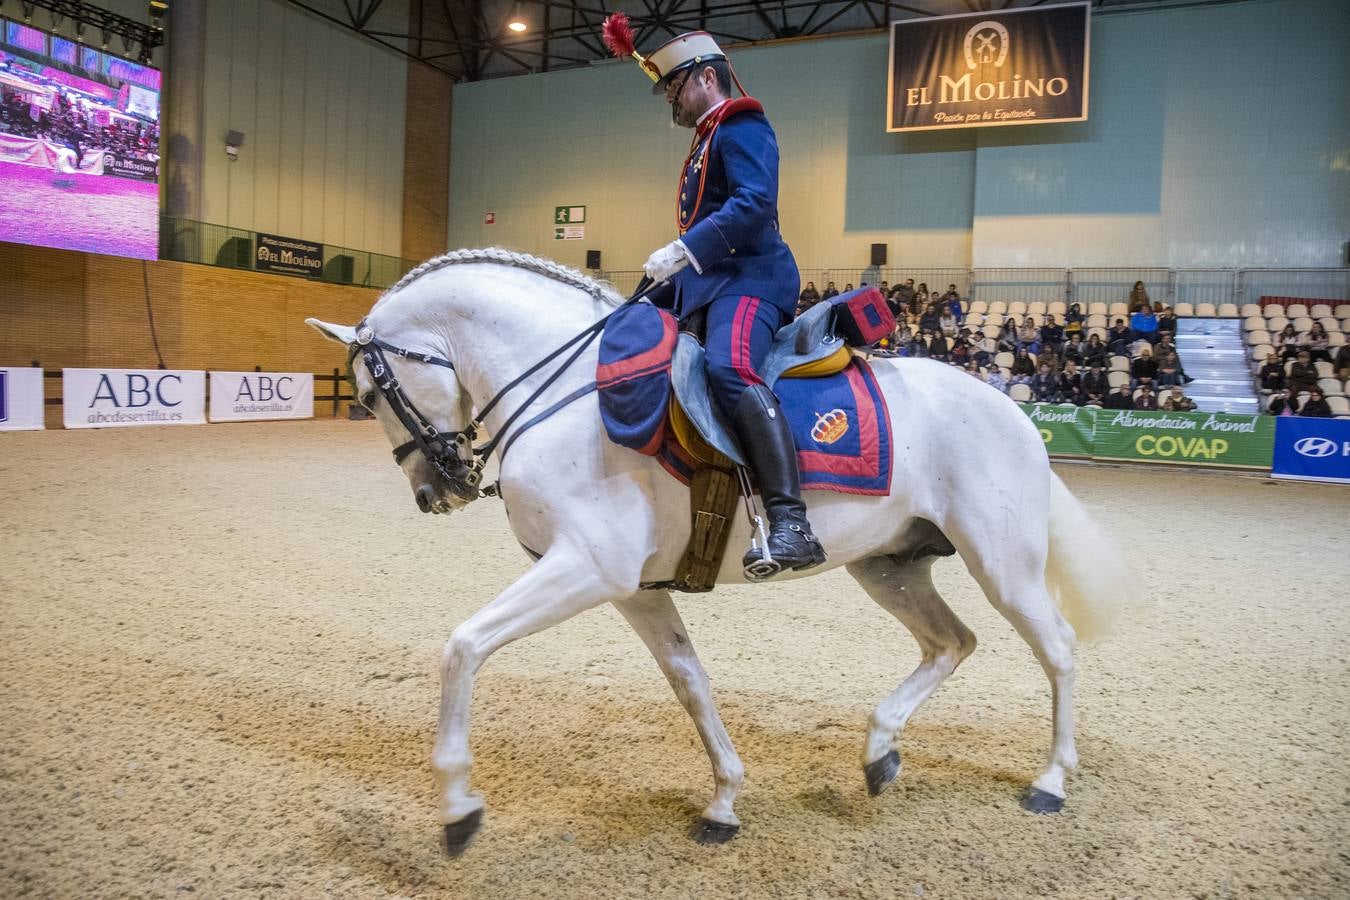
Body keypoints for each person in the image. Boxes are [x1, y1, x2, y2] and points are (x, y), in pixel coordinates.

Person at [625, 25, 824, 574]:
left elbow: (755, 204)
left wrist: (684, 249)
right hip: (712, 282)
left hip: (753, 279)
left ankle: (791, 522)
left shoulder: (742, 126)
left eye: (674, 85)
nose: (669, 96)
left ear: (707, 77)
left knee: (730, 367)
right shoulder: (707, 139)